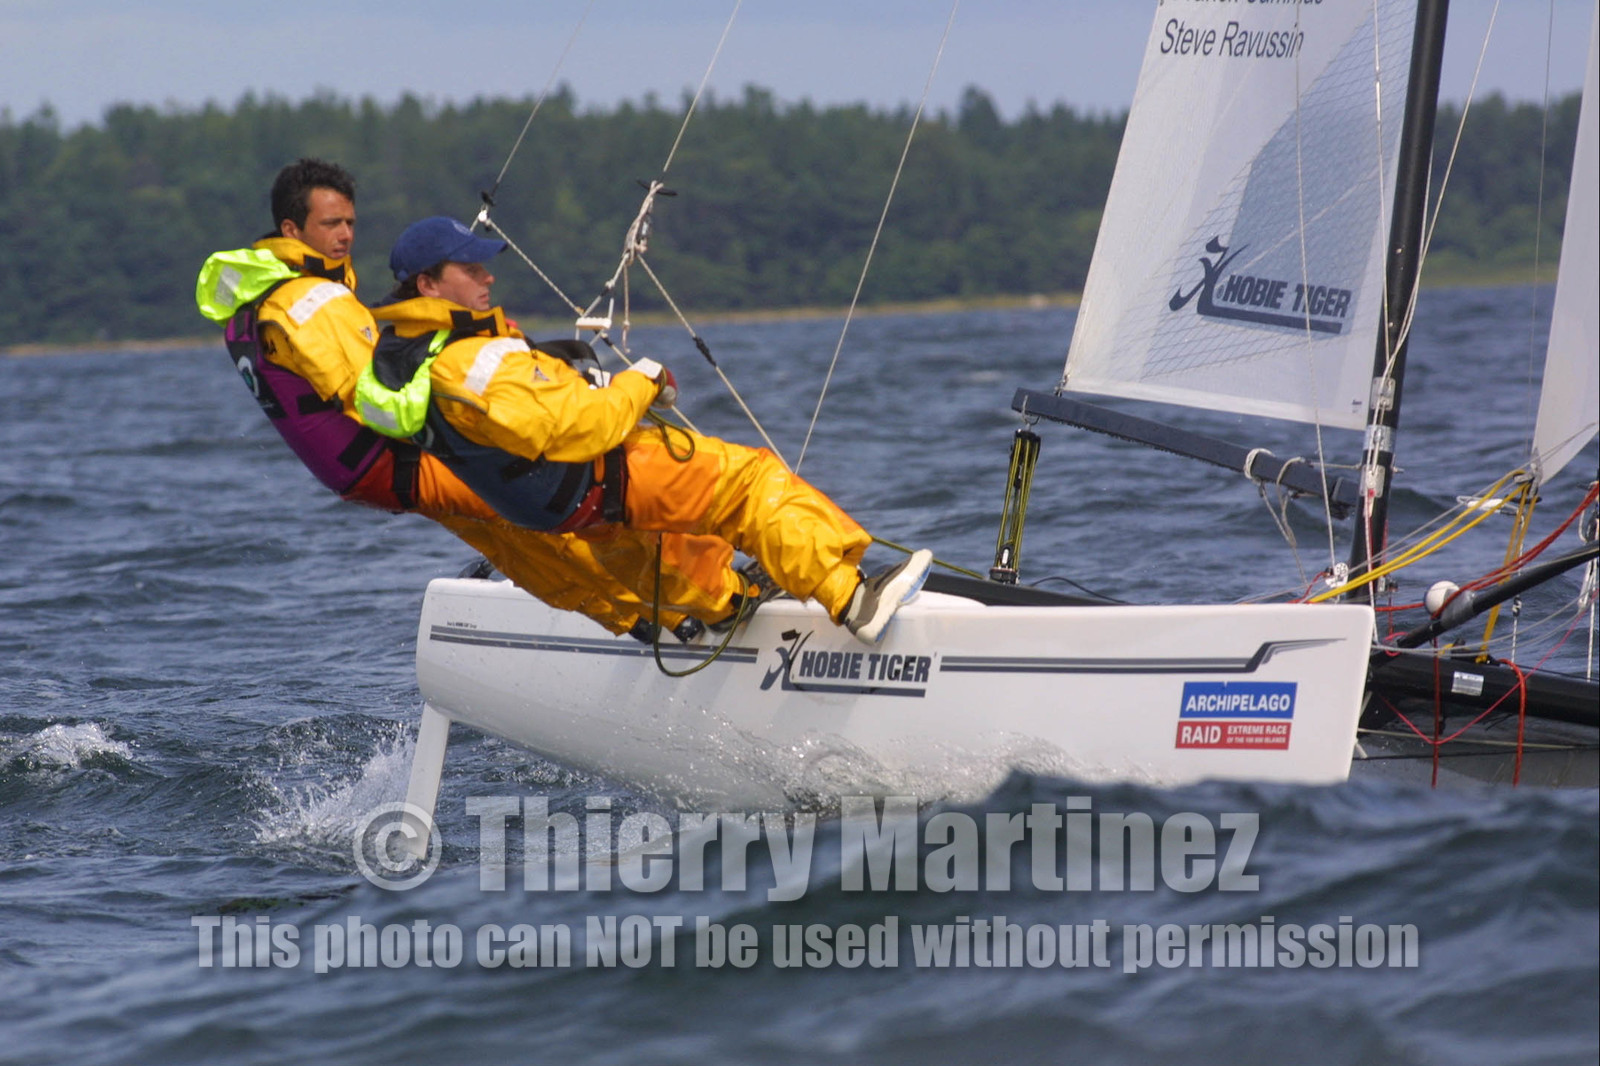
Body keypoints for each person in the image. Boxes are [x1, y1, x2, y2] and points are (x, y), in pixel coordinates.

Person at [194, 159, 743, 640]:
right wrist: (490, 386)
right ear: (292, 228)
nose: (344, 236)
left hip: (371, 476)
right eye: (330, 223)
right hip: (403, 456)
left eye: (350, 223)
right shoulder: (312, 300)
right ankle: (716, 597)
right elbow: (376, 389)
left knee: (518, 541)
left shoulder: (251, 299)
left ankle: (640, 620)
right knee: (574, 508)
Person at [359, 216, 933, 645]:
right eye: (470, 269)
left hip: (565, 509)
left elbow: (534, 411)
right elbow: (586, 427)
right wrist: (645, 379)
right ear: (428, 286)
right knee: (751, 486)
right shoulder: (471, 363)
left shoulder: (411, 360)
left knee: (657, 550)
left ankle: (725, 608)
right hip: (601, 475)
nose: (487, 276)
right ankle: (853, 599)